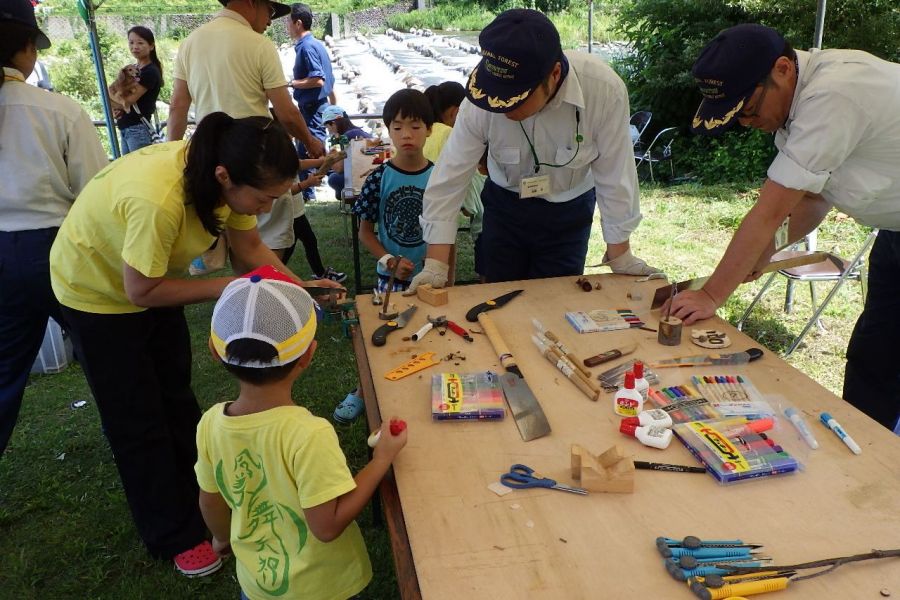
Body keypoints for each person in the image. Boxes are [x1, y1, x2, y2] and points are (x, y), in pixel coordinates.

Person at [49, 114, 338, 576]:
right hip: (95, 292)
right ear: (225, 177)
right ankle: (173, 534)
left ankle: (199, 498)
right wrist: (231, 286)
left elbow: (250, 250)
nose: (266, 209)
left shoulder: (227, 170)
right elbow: (141, 291)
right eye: (263, 198)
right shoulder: (158, 200)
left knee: (176, 399)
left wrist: (296, 285)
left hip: (152, 280)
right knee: (136, 420)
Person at [667, 24, 900, 431]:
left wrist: (710, 293)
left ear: (782, 70)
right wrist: (766, 252)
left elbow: (770, 211)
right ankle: (868, 461)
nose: (744, 122)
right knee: (874, 354)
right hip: (895, 231)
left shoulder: (833, 95)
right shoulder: (799, 105)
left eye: (749, 109)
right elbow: (811, 199)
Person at [407, 9, 660, 293]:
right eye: (497, 99)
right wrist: (436, 266)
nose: (501, 107)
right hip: (504, 207)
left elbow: (616, 174)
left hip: (569, 210)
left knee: (555, 300)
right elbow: (450, 176)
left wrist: (620, 254)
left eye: (514, 100)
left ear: (553, 74)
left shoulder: (603, 91)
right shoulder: (482, 97)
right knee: (498, 297)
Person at [196, 266, 407, 600]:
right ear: (308, 354)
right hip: (323, 588)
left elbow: (210, 499)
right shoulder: (308, 434)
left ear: (213, 351)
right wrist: (381, 460)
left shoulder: (209, 423)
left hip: (258, 585)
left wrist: (221, 538)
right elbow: (327, 525)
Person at [0, 0, 107, 460]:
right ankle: (128, 436)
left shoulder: (53, 110)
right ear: (26, 49)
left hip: (3, 252)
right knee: (106, 357)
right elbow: (95, 195)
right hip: (60, 246)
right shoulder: (58, 111)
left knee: (4, 374)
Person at [167, 0, 325, 271]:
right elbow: (286, 112)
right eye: (269, 11)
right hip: (256, 164)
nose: (269, 21)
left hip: (214, 165)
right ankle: (263, 304)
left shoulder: (191, 42)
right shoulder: (258, 44)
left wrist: (171, 155)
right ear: (252, 3)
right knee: (264, 247)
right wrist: (311, 142)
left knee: (241, 246)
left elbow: (177, 107)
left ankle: (247, 302)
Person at [333, 89, 434, 425]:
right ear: (388, 130)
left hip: (431, 277)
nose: (407, 135)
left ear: (430, 130)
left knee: (428, 334)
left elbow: (446, 232)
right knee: (382, 339)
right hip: (387, 280)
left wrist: (440, 273)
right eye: (398, 126)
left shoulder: (439, 178)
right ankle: (363, 391)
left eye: (416, 126)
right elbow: (365, 233)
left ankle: (418, 393)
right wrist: (390, 260)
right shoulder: (378, 177)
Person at [423, 81, 487, 279]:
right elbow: (473, 186)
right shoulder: (451, 134)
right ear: (455, 112)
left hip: (428, 207)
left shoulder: (426, 130)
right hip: (449, 207)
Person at [287, 2, 335, 201]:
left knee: (311, 151)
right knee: (308, 149)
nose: (286, 26)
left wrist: (291, 83)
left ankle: (310, 193)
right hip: (319, 106)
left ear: (298, 23)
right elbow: (329, 82)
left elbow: (318, 79)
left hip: (312, 108)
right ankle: (310, 191)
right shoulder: (316, 44)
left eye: (287, 22)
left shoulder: (306, 47)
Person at [111, 26, 162, 154]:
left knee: (138, 170)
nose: (135, 46)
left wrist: (112, 102)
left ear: (151, 46)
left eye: (140, 43)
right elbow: (113, 91)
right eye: (131, 42)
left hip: (137, 129)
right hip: (126, 128)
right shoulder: (133, 69)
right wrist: (116, 107)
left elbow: (128, 101)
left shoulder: (150, 72)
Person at [322, 104, 371, 201]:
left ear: (333, 123)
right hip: (371, 175)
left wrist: (328, 153)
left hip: (361, 180)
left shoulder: (346, 137)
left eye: (327, 127)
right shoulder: (358, 132)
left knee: (333, 178)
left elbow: (339, 168)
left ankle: (349, 199)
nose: (328, 131)